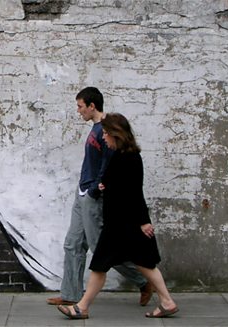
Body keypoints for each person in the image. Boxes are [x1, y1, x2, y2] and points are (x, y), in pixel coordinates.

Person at [57, 113, 179, 319]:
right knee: (140, 265)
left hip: (123, 225)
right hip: (120, 224)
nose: (103, 138)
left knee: (105, 265)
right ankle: (166, 302)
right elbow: (119, 185)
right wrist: (106, 185)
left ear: (117, 134)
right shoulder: (122, 156)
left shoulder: (128, 158)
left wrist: (143, 222)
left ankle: (81, 307)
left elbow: (134, 193)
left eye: (106, 133)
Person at [47, 87, 152, 307]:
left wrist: (95, 191)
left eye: (80, 106)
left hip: (93, 197)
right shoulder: (96, 128)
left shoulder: (106, 129)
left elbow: (108, 167)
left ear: (92, 106)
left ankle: (144, 280)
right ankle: (70, 294)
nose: (78, 111)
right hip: (82, 192)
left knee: (101, 249)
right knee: (73, 244)